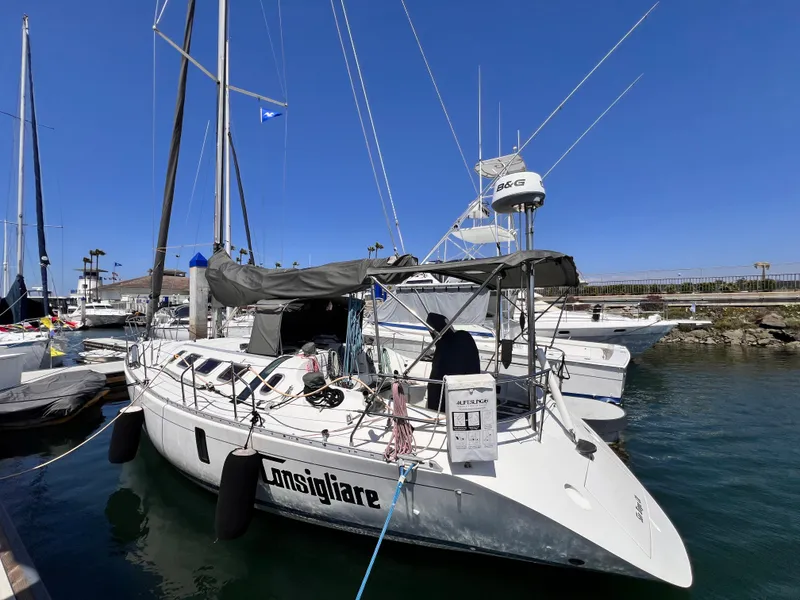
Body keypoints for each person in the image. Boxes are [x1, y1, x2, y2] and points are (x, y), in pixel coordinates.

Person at [426, 312, 480, 411]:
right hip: (469, 396)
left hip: (443, 402)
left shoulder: (442, 345)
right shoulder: (465, 337)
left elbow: (437, 375)